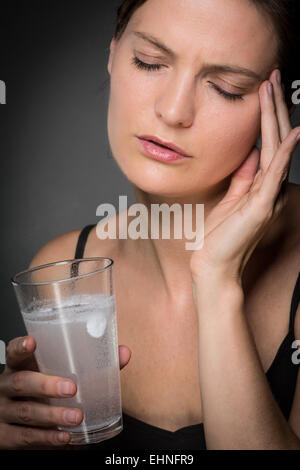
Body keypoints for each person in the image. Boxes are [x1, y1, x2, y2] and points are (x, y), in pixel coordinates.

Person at [1, 0, 300, 450]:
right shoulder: (66, 269)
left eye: (225, 87)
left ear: (279, 106)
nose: (174, 111)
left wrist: (217, 284)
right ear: (113, 52)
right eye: (150, 62)